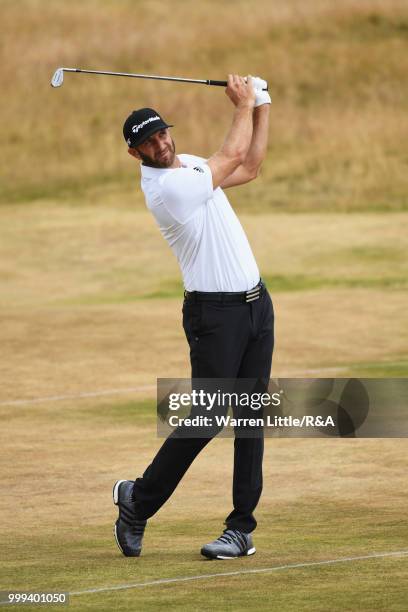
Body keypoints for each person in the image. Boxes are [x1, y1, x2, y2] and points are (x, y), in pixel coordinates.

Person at [114, 75, 274, 560]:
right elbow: (230, 155)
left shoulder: (189, 165)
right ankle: (137, 501)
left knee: (249, 417)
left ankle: (240, 529)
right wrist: (242, 104)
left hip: (255, 305)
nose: (160, 143)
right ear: (135, 153)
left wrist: (263, 104)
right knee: (206, 417)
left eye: (162, 133)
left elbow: (248, 166)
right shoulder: (167, 189)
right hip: (215, 315)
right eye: (148, 141)